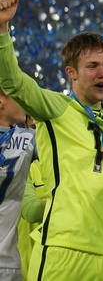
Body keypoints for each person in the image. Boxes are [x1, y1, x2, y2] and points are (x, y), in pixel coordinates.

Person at [0, 0, 103, 280]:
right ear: (72, 73)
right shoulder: (56, 108)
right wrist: (2, 31)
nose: (102, 72)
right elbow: (14, 83)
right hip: (62, 249)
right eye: (92, 66)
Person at [0, 89, 35, 281]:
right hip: (7, 263)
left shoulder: (30, 137)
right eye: (17, 95)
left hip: (9, 263)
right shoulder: (29, 139)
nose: (24, 101)